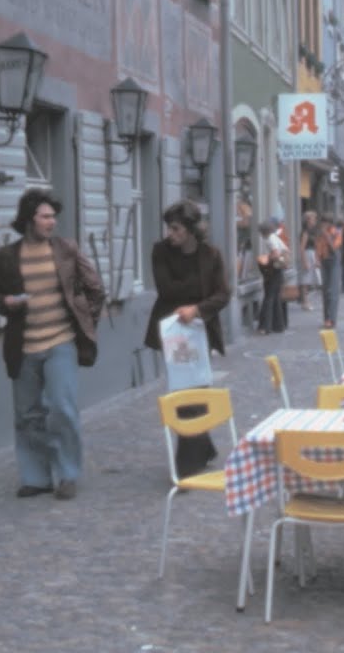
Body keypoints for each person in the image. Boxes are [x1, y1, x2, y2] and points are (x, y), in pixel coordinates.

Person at [0, 188, 105, 500]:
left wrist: (86, 322)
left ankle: (68, 475)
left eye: (53, 216)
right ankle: (36, 478)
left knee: (62, 408)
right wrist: (6, 301)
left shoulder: (65, 249)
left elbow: (95, 288)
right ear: (29, 219)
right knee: (28, 414)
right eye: (46, 216)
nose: (52, 222)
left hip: (60, 341)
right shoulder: (8, 256)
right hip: (24, 347)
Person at [143, 199, 232, 478]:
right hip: (174, 331)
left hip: (201, 328)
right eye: (169, 229)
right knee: (184, 392)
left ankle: (200, 451)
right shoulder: (161, 252)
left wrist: (198, 308)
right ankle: (188, 464)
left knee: (198, 389)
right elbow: (166, 289)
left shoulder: (211, 254)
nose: (171, 234)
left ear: (191, 229)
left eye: (176, 229)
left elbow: (223, 294)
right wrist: (196, 295)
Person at [257, 219, 289, 334]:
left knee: (269, 297)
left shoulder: (270, 239)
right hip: (278, 269)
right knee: (275, 297)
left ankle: (266, 326)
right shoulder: (274, 237)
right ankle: (278, 325)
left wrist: (266, 258)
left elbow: (275, 253)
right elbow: (283, 250)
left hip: (274, 269)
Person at [313, 213, 342, 328]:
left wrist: (327, 235)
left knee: (333, 290)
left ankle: (332, 319)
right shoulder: (319, 234)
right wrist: (317, 259)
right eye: (322, 223)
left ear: (330, 224)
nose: (323, 225)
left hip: (334, 260)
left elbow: (334, 248)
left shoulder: (337, 232)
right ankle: (326, 318)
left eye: (325, 223)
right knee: (325, 290)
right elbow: (318, 247)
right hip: (324, 260)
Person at [297, 211, 319, 312]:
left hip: (311, 254)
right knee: (305, 280)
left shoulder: (313, 231)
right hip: (307, 255)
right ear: (308, 220)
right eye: (313, 218)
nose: (315, 220)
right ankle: (305, 302)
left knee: (309, 279)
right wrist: (304, 261)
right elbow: (302, 248)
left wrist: (316, 259)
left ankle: (306, 301)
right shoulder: (305, 232)